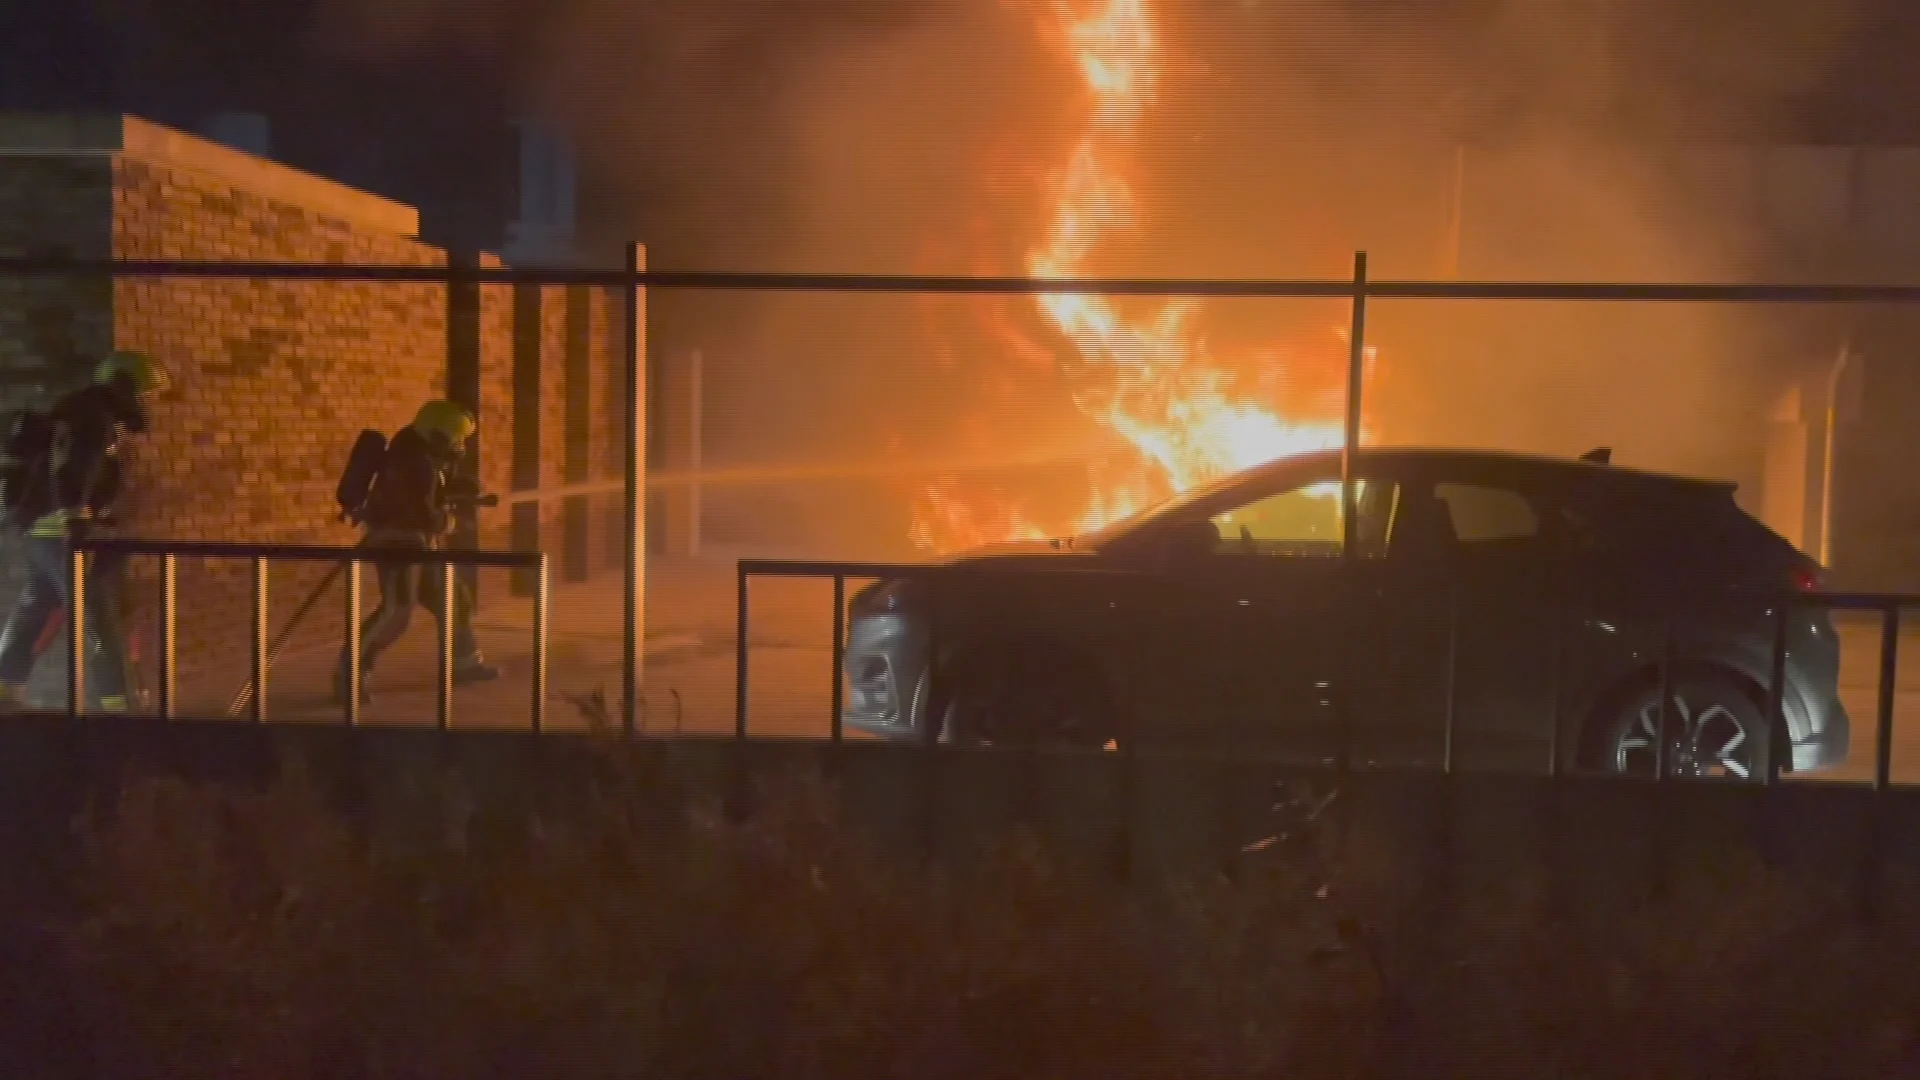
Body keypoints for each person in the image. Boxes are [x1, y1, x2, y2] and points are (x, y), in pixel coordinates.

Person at [0, 350, 170, 712]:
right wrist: (76, 517)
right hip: (62, 533)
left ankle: (5, 683)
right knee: (98, 616)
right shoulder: (91, 416)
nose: (147, 402)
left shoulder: (87, 411)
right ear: (126, 386)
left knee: (37, 605)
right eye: (145, 393)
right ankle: (120, 707)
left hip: (46, 531)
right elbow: (75, 466)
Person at [336, 399, 499, 705]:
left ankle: (464, 663)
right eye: (456, 438)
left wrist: (459, 489)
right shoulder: (414, 461)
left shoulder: (419, 454)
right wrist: (449, 521)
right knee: (395, 612)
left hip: (419, 544)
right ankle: (351, 674)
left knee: (452, 599)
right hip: (398, 544)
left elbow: (425, 493)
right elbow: (420, 512)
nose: (459, 445)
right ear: (438, 434)